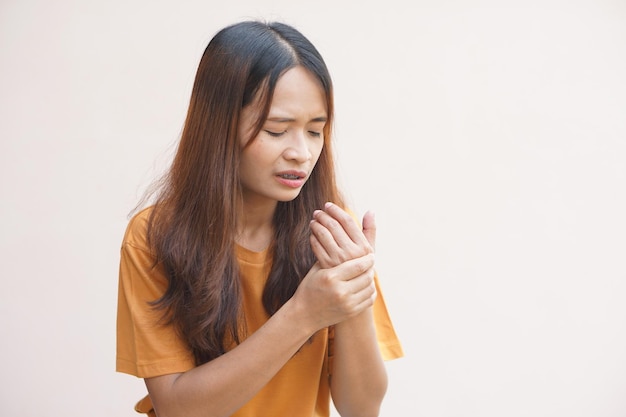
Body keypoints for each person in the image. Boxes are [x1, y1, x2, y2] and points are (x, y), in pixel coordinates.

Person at [116, 20, 403, 417]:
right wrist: (305, 314)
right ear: (220, 129)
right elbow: (180, 409)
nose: (301, 153)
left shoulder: (333, 234)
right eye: (276, 130)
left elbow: (362, 408)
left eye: (315, 131)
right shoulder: (154, 237)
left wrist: (352, 303)